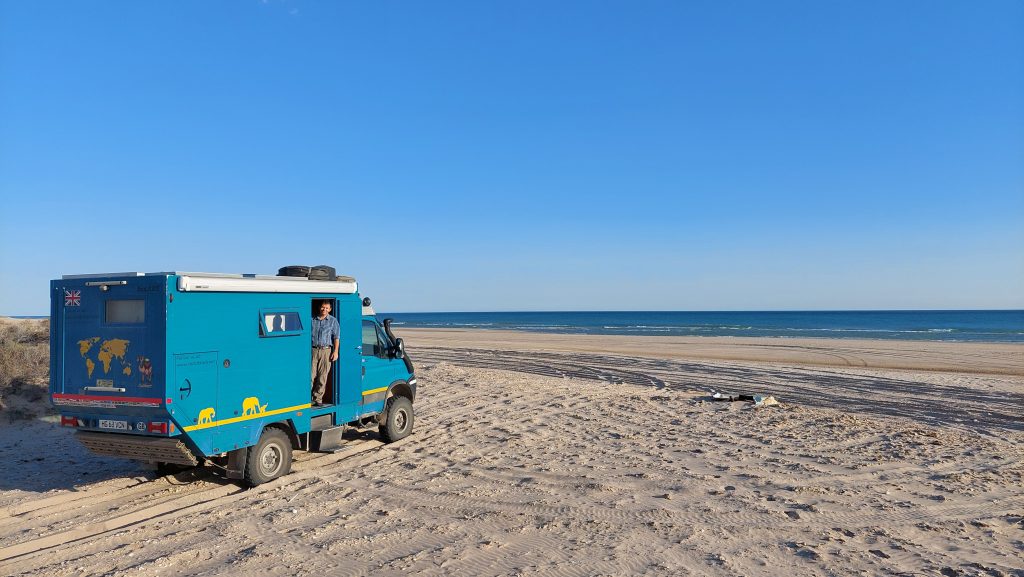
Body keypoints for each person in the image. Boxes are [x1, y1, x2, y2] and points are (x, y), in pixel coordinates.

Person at [310, 300, 339, 407]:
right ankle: (306, 399)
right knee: (310, 375)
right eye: (323, 307)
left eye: (327, 308)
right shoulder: (312, 319)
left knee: (322, 376)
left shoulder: (333, 321)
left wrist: (335, 351)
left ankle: (318, 398)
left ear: (330, 309)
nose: (324, 309)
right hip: (313, 350)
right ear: (319, 307)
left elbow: (336, 337)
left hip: (326, 351)